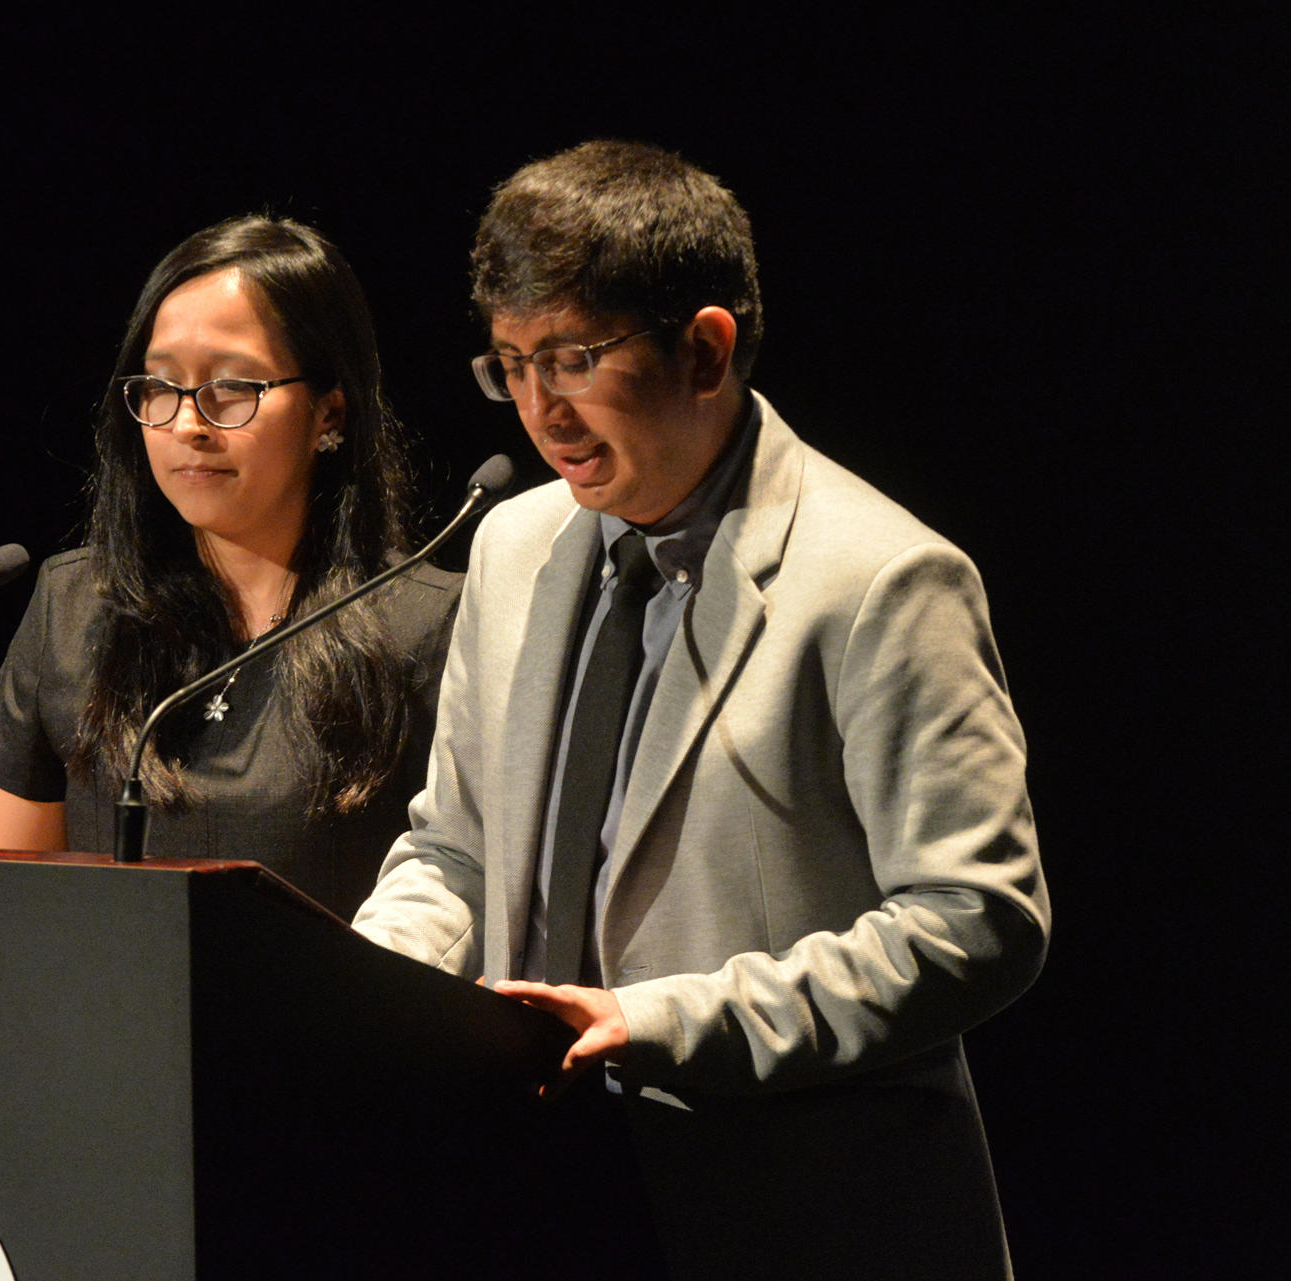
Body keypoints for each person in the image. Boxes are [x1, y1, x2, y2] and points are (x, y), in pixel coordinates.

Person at [351, 140, 1050, 1278]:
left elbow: (978, 921)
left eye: (574, 358)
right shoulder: (514, 546)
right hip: (543, 1203)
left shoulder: (881, 579)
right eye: (511, 364)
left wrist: (676, 1022)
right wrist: (369, 988)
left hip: (807, 1218)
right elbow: (454, 851)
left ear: (706, 349)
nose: (541, 410)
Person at [0, 216, 458, 920]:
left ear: (330, 413)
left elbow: (465, 896)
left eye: (232, 386)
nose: (187, 423)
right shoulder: (75, 605)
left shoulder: (427, 623)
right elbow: (1, 909)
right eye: (161, 386)